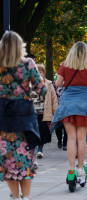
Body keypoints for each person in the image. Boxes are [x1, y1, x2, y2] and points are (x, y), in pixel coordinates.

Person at [50, 41, 87, 182]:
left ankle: (70, 168)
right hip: (84, 105)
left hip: (68, 104)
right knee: (81, 139)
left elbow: (57, 84)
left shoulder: (64, 65)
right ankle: (80, 168)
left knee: (71, 138)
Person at [0, 31, 46, 200]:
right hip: (25, 117)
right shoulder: (28, 64)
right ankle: (26, 197)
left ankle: (16, 197)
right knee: (26, 157)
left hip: (3, 117)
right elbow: (41, 88)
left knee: (7, 159)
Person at [33, 64, 58, 159]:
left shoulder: (49, 84)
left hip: (44, 112)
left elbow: (54, 99)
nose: (39, 74)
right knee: (33, 131)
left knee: (43, 132)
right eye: (37, 72)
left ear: (43, 73)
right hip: (32, 112)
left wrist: (55, 112)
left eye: (40, 72)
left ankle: (40, 149)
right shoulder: (30, 83)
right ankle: (34, 148)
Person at [52, 78, 68, 150]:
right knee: (58, 126)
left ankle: (65, 143)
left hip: (66, 108)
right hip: (57, 108)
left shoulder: (69, 83)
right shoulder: (54, 84)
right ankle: (59, 140)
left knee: (67, 126)